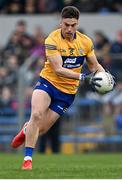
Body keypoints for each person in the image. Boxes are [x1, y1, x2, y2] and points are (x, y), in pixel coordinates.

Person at [11, 6, 105, 170]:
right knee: (37, 114)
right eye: (66, 24)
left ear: (77, 24)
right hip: (48, 83)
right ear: (61, 22)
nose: (69, 29)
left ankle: (26, 130)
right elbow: (58, 69)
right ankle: (27, 160)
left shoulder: (85, 41)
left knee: (41, 129)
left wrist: (104, 76)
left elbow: (94, 66)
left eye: (73, 25)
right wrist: (83, 77)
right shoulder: (51, 40)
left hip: (67, 93)